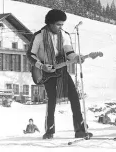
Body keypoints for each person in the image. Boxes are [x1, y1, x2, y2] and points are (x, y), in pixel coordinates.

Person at [27, 9, 92, 139]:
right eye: (58, 24)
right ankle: (49, 131)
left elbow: (69, 53)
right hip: (46, 71)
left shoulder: (65, 35)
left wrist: (76, 57)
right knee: (52, 100)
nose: (60, 27)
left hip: (62, 70)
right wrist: (41, 66)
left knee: (74, 98)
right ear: (50, 23)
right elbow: (30, 55)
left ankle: (80, 129)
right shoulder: (39, 36)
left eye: (62, 24)